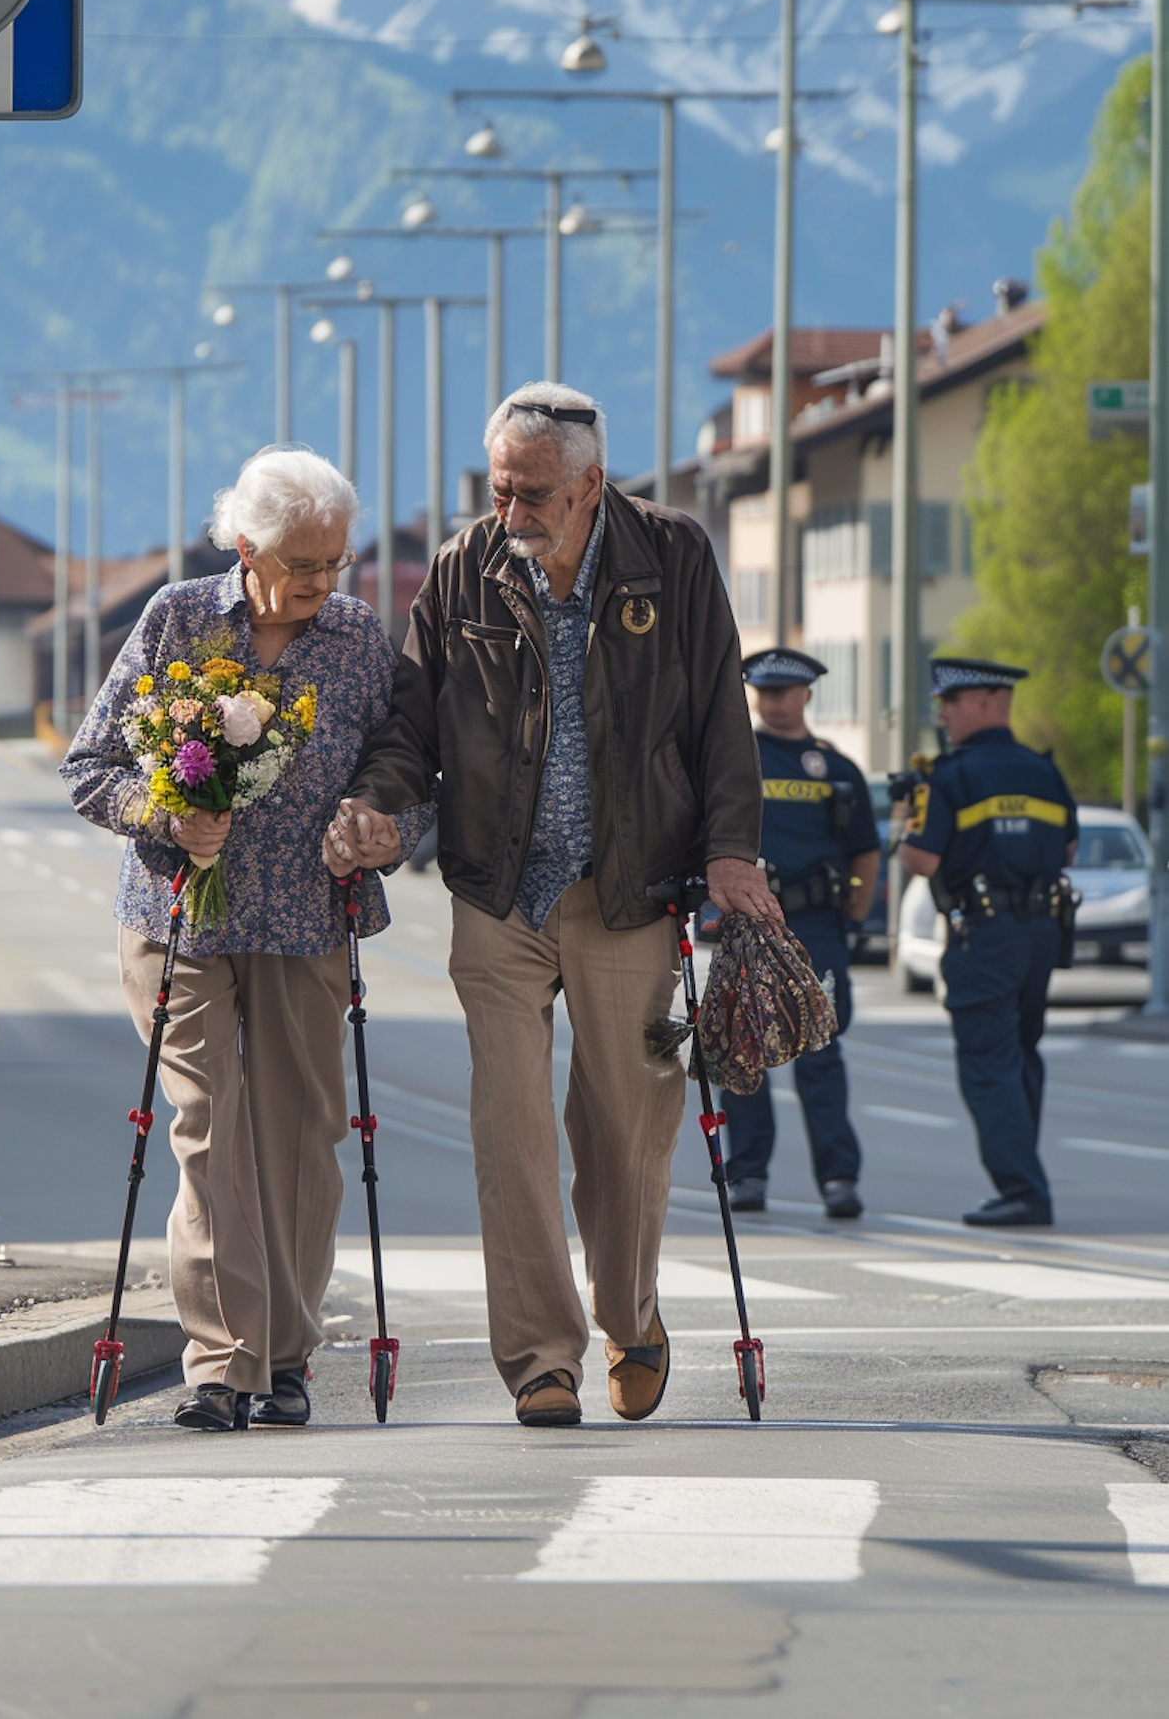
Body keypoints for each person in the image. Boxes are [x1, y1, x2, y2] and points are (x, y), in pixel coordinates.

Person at [324, 381, 772, 1427]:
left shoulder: (674, 553)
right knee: (511, 1128)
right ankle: (539, 1357)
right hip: (498, 891)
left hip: (637, 890)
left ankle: (632, 1314)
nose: (511, 511)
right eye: (500, 488)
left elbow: (719, 712)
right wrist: (382, 811)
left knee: (633, 1123)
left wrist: (733, 850)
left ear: (591, 486)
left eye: (532, 494)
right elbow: (410, 726)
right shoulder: (463, 567)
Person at [61, 446, 427, 1432]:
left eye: (334, 563)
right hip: (181, 919)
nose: (319, 583)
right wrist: (166, 818)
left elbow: (407, 762)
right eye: (301, 563)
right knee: (210, 1129)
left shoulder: (356, 639)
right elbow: (91, 763)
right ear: (244, 547)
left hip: (310, 916)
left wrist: (378, 818)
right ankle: (223, 1362)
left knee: (302, 1139)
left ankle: (289, 1357)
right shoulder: (176, 617)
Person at [898, 656, 1078, 1228]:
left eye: (950, 702)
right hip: (1041, 933)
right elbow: (1068, 850)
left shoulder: (949, 776)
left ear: (986, 702)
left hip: (984, 933)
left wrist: (908, 816)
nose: (943, 714)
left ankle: (1023, 1189)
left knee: (987, 1061)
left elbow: (921, 859)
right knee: (1022, 1053)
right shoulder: (1044, 772)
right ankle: (1024, 1175)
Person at [721, 649, 880, 1221]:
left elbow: (865, 847)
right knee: (746, 1050)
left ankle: (839, 1177)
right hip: (749, 927)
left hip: (816, 927)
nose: (775, 702)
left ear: (807, 696)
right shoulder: (737, 760)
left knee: (821, 1054)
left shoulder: (836, 769)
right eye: (765, 692)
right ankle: (748, 1174)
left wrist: (856, 916)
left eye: (786, 692)